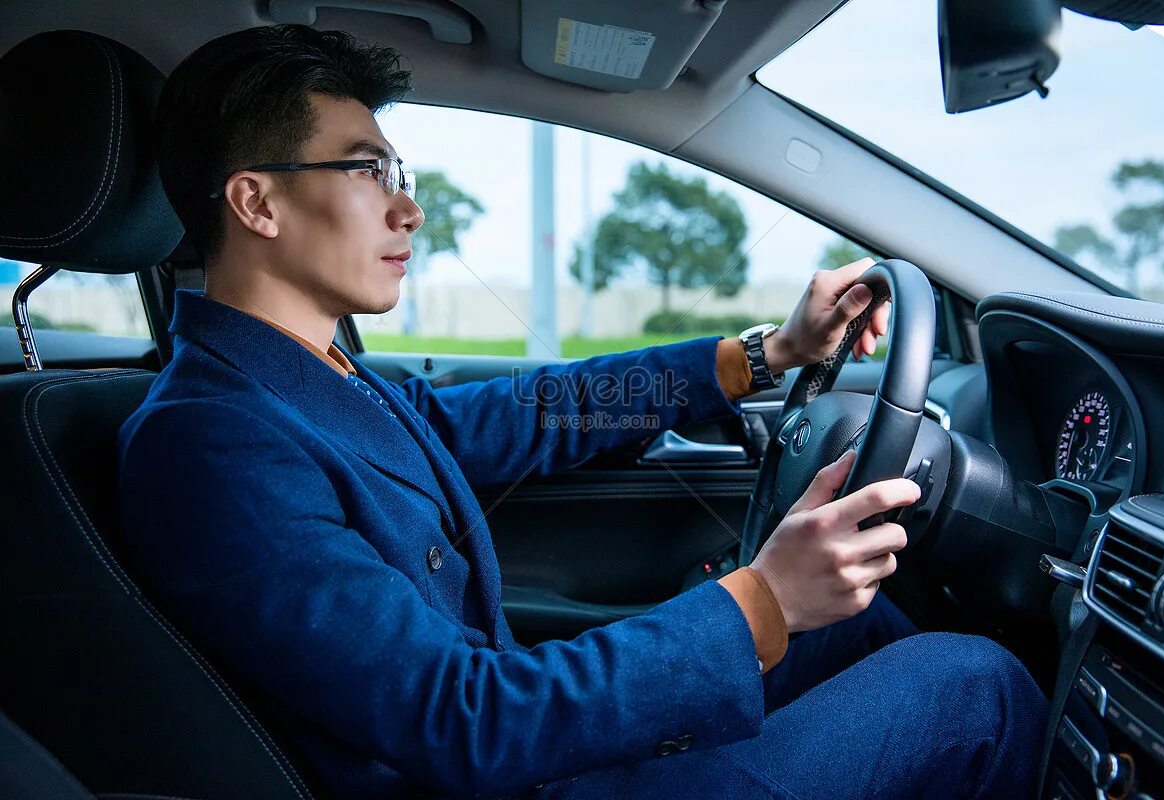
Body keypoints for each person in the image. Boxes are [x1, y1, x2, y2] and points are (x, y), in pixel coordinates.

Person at [117, 24, 1047, 800]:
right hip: (501, 778)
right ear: (257, 203)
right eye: (367, 173)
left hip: (527, 761)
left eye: (400, 173)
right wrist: (761, 597)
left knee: (858, 619)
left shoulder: (314, 381)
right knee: (977, 688)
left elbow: (535, 410)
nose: (408, 211)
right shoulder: (209, 441)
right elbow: (457, 718)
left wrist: (767, 355)